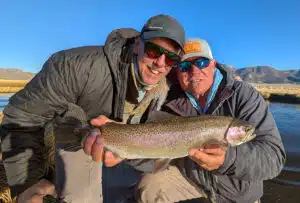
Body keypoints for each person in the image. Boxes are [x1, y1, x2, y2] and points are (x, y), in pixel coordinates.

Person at [0, 14, 186, 203]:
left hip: (128, 151)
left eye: (171, 58)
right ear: (138, 44)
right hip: (78, 142)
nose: (161, 64)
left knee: (127, 195)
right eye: (154, 50)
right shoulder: (75, 66)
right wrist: (27, 182)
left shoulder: (171, 88)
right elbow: (22, 116)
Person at [126, 38, 285, 202]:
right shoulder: (169, 100)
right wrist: (124, 154)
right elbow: (151, 149)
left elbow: (274, 157)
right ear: (177, 70)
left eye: (201, 62)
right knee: (150, 186)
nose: (194, 71)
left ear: (213, 64)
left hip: (238, 195)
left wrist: (228, 159)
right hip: (192, 182)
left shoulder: (244, 96)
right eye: (185, 66)